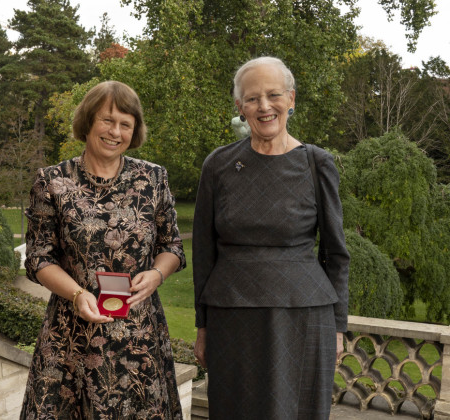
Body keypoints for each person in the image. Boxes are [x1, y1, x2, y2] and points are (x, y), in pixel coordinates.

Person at [192, 56, 349, 420]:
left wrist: (338, 327)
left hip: (306, 319)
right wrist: (202, 326)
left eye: (274, 95)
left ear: (291, 99)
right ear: (239, 107)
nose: (264, 106)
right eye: (252, 98)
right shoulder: (217, 165)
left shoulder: (317, 163)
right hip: (232, 319)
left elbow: (336, 253)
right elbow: (203, 252)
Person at [20, 80, 186, 420]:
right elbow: (39, 257)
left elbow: (172, 246)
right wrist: (78, 293)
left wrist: (157, 274)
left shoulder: (153, 178)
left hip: (140, 334)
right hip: (72, 333)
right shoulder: (52, 181)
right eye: (107, 120)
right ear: (88, 122)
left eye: (126, 124)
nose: (115, 131)